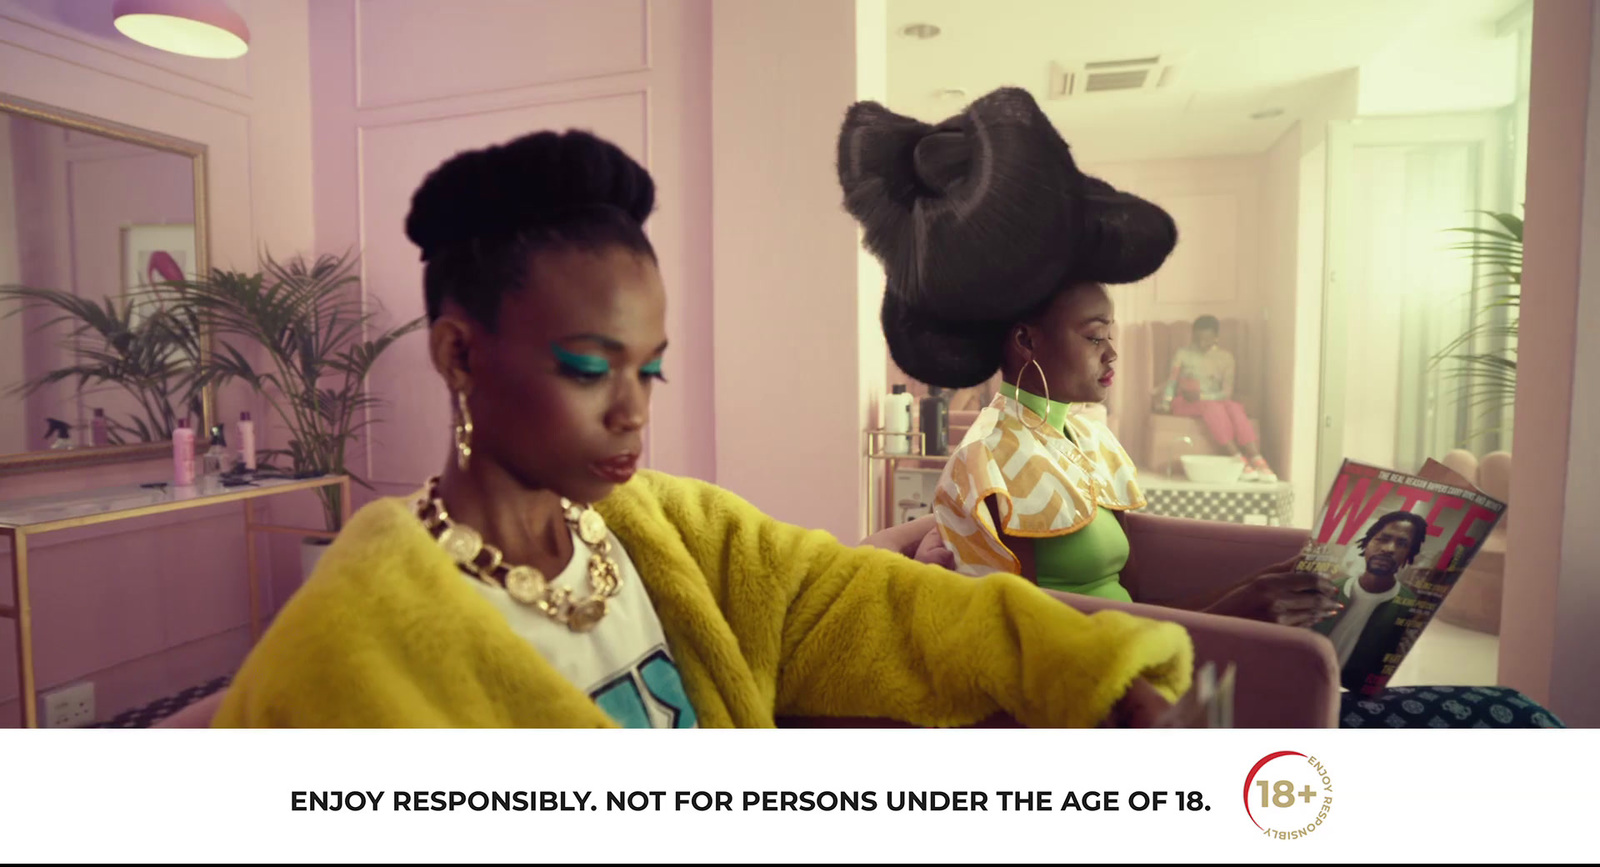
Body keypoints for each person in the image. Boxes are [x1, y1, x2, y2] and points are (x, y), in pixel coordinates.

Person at [211, 128, 1197, 729]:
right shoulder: (354, 643)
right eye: (591, 368)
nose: (635, 407)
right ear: (461, 357)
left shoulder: (663, 531)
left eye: (651, 367)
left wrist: (1083, 670)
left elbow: (849, 600)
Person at [837, 87, 1333, 625]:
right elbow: (1033, 642)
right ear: (1027, 341)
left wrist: (1249, 591)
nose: (1112, 351)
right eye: (1095, 336)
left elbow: (1134, 606)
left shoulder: (1091, 438)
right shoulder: (987, 465)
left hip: (1145, 656)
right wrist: (1238, 610)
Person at [1157, 315, 1277, 482]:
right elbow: (1172, 381)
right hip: (1185, 402)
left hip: (1213, 400)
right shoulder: (1183, 354)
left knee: (1234, 407)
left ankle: (1257, 459)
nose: (1201, 343)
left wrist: (1203, 396)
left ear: (1216, 338)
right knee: (1213, 407)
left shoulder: (1226, 358)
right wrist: (1165, 402)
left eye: (1207, 339)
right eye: (1197, 338)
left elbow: (1226, 392)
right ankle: (1238, 458)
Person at [1323, 511, 1427, 670]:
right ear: (1367, 543)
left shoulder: (1410, 607)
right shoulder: (1330, 588)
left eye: (1402, 544)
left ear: (1409, 555)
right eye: (1382, 539)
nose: (1389, 549)